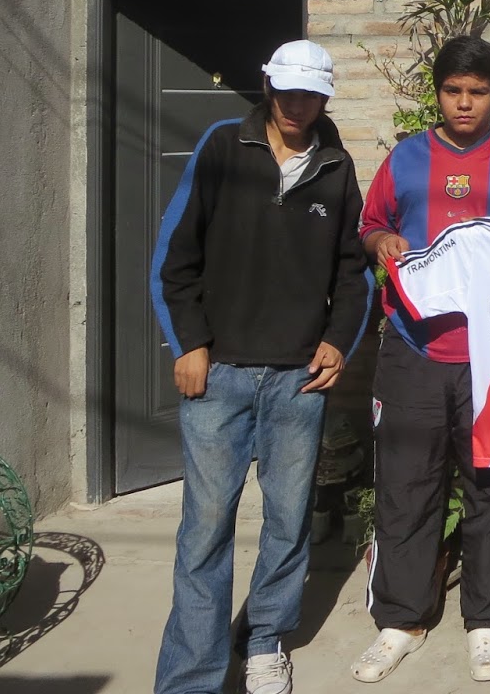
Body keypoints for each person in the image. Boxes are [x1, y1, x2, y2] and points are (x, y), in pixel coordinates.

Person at [152, 39, 372, 694]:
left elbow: (353, 270)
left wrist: (338, 341)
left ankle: (266, 641)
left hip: (297, 379)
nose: (297, 104)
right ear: (269, 85)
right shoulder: (224, 146)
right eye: (287, 90)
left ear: (325, 97)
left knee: (287, 519)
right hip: (218, 374)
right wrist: (189, 343)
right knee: (205, 528)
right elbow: (174, 256)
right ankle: (191, 675)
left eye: (311, 93)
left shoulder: (335, 166)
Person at [351, 36, 490, 685]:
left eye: (477, 91)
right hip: (414, 349)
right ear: (438, 94)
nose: (465, 102)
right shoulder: (406, 158)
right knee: (405, 487)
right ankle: (401, 620)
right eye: (453, 91)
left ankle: (486, 621)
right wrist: (381, 241)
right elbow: (370, 224)